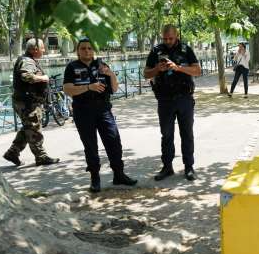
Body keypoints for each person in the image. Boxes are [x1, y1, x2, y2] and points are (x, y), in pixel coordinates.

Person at [63, 38, 137, 192]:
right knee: (90, 146)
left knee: (114, 141)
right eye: (83, 48)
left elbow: (114, 89)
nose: (87, 51)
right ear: (78, 51)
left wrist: (111, 74)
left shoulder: (102, 65)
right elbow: (67, 89)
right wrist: (89, 87)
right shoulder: (72, 67)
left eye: (90, 48)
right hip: (83, 111)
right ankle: (95, 178)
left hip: (103, 110)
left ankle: (119, 174)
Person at [144, 24, 201, 181]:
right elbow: (146, 74)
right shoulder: (156, 51)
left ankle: (189, 167)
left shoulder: (186, 50)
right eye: (165, 38)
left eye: (171, 38)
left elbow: (197, 71)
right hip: (165, 99)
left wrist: (178, 68)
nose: (168, 41)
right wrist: (157, 69)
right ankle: (167, 167)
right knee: (166, 135)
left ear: (177, 36)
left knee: (187, 134)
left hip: (184, 98)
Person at [3, 38, 59, 167]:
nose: (44, 50)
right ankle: (41, 157)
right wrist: (43, 78)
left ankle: (12, 153)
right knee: (34, 129)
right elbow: (26, 76)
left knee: (28, 128)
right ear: (35, 49)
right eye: (42, 48)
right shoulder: (27, 61)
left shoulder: (28, 59)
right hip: (27, 103)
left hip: (26, 101)